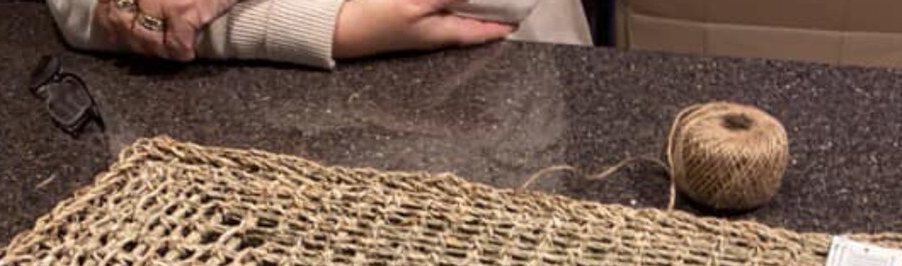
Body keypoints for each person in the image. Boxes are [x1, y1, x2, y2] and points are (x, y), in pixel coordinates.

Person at [46, 0, 591, 70]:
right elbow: (86, 9)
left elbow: (497, 3)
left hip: (476, 92)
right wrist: (334, 24)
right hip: (208, 138)